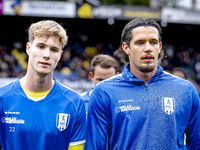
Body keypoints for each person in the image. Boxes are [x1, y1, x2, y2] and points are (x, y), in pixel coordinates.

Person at [86, 18, 200, 149]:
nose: (148, 48)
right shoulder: (103, 91)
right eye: (140, 43)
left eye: (153, 42)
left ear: (160, 47)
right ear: (126, 48)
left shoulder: (186, 90)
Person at [0, 20, 86, 150]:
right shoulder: (3, 98)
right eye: (41, 46)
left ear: (60, 55)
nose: (46, 55)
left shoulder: (74, 103)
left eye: (54, 49)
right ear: (28, 48)